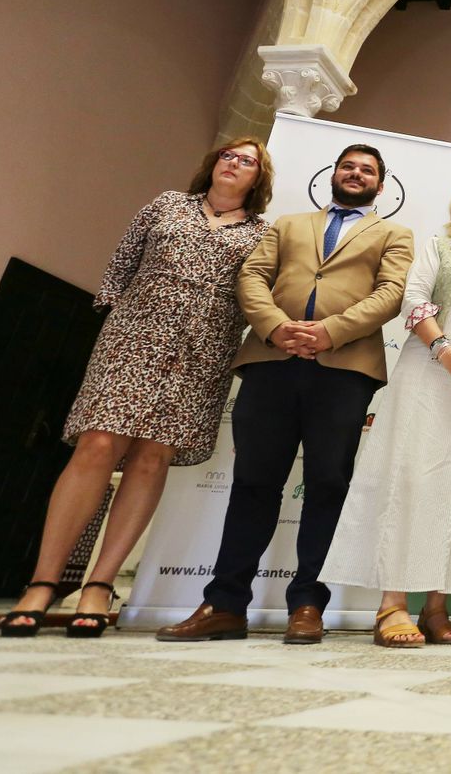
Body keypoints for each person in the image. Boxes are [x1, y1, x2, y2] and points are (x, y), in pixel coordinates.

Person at [0, 139, 273, 638]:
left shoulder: (262, 233)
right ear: (213, 165)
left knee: (151, 458)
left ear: (259, 178)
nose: (234, 163)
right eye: (228, 155)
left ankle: (99, 585)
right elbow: (122, 263)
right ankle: (42, 582)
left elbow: (257, 293)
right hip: (133, 337)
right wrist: (119, 316)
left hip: (200, 354)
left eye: (247, 160)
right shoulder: (168, 204)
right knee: (97, 443)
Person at [156, 143, 414, 645]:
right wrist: (276, 327)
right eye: (348, 167)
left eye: (367, 170)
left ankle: (307, 605)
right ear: (333, 175)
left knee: (327, 484)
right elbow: (252, 276)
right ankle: (224, 604)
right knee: (253, 482)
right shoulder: (288, 224)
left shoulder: (394, 233)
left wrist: (330, 331)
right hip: (272, 362)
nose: (356, 174)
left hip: (344, 369)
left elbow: (391, 292)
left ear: (380, 186)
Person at [321, 171, 451, 647]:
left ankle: (436, 608)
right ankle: (392, 605)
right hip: (429, 377)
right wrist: (447, 353)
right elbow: (413, 302)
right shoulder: (436, 247)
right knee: (412, 479)